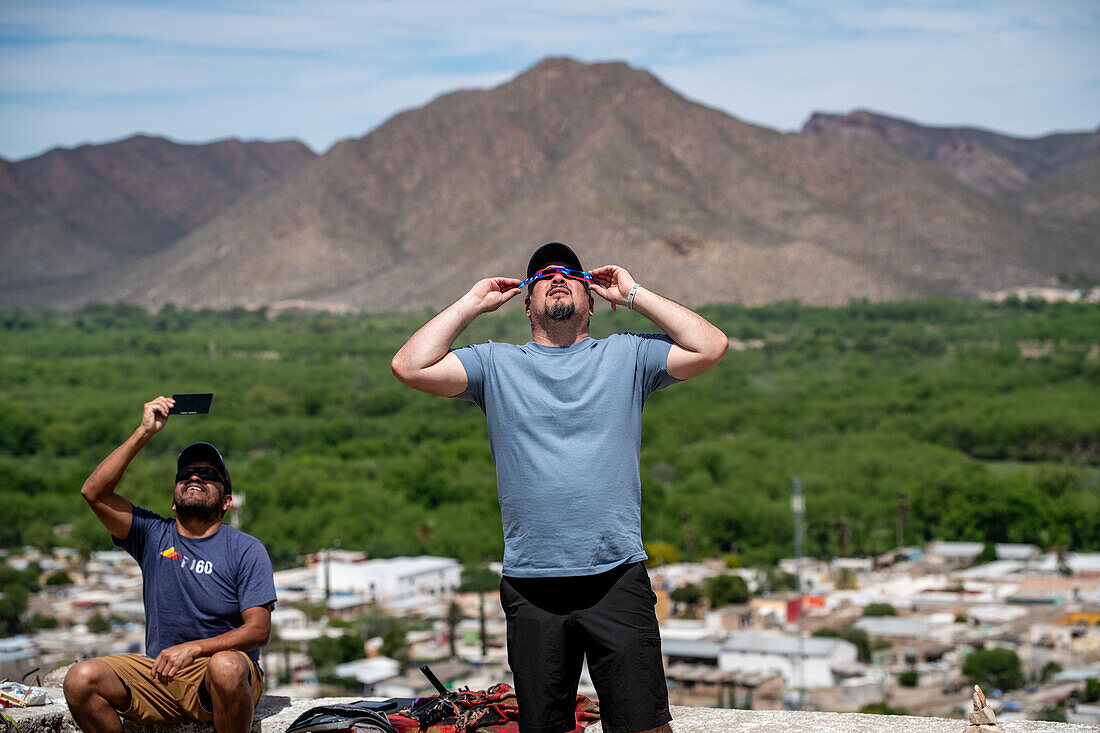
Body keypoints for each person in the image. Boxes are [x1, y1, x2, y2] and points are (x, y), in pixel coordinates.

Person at [392, 242, 727, 733]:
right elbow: (410, 366)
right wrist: (471, 303)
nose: (557, 278)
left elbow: (711, 346)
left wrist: (634, 293)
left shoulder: (629, 354)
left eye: (571, 273)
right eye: (543, 275)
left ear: (592, 299)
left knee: (643, 725)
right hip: (532, 584)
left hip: (616, 575)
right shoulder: (494, 365)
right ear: (526, 302)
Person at [64, 396, 276, 733]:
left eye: (208, 474)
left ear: (227, 501)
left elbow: (259, 631)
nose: (194, 477)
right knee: (80, 678)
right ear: (173, 501)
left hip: (222, 677)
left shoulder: (244, 548)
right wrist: (144, 432)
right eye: (186, 474)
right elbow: (94, 493)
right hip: (161, 675)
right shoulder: (152, 535)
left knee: (225, 667)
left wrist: (192, 650)